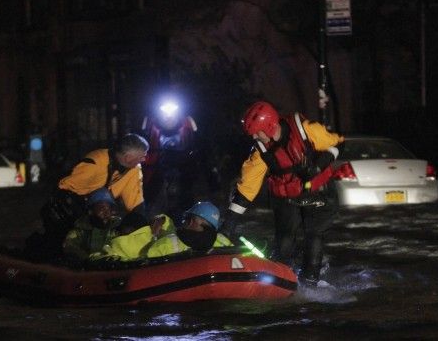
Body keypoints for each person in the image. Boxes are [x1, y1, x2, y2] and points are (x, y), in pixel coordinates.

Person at [220, 101, 344, 287]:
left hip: (319, 193)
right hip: (287, 197)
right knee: (284, 240)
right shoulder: (261, 151)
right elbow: (248, 187)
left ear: (270, 126)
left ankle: (310, 281)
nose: (254, 136)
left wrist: (317, 166)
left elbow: (336, 144)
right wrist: (228, 225)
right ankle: (280, 279)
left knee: (314, 236)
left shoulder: (306, 130)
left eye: (257, 132)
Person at [26, 133, 149, 261]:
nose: (144, 160)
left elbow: (136, 205)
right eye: (142, 156)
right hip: (68, 213)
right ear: (128, 157)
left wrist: (143, 230)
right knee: (60, 249)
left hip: (95, 214)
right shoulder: (95, 163)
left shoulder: (133, 169)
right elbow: (63, 190)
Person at [141, 94, 220, 224]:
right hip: (154, 182)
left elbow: (204, 153)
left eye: (172, 112)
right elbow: (137, 152)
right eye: (164, 112)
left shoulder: (189, 126)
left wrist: (213, 182)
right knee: (153, 217)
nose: (168, 116)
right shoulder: (149, 126)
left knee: (183, 217)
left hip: (184, 181)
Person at [146, 201, 233, 258]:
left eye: (186, 219)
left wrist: (154, 236)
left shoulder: (165, 244)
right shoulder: (224, 243)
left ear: (191, 221)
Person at [63, 188, 121, 262]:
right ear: (91, 211)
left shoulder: (117, 230)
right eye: (101, 208)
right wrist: (87, 258)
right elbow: (68, 246)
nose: (106, 212)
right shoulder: (80, 231)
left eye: (108, 208)